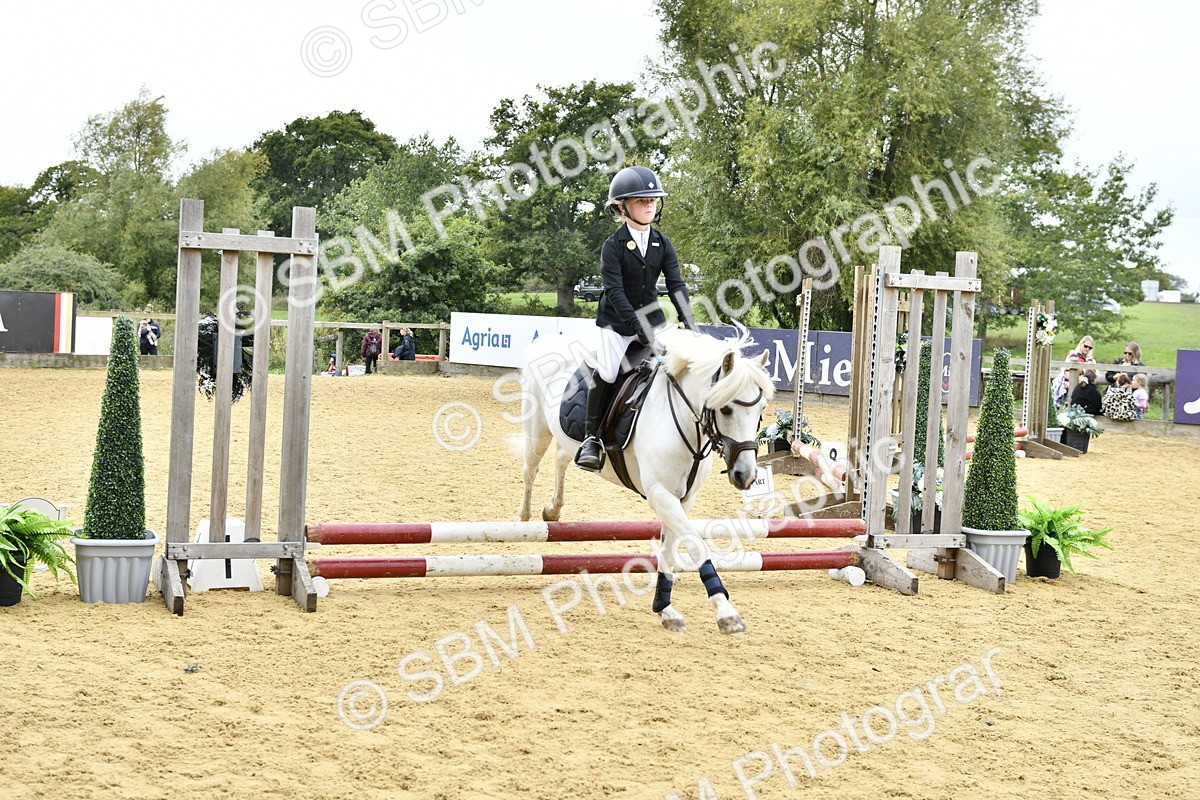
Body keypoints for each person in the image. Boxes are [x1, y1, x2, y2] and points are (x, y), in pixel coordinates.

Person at [575, 165, 698, 472]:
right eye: (642, 200)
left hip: (652, 319)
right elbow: (615, 292)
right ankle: (591, 439)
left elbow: (676, 285)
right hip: (616, 323)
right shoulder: (612, 246)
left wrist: (690, 323)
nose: (649, 205)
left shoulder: (662, 242)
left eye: (653, 199)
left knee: (677, 365)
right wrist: (637, 328)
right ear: (622, 206)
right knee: (606, 370)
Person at [1055, 335, 1096, 404]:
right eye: (1085, 346)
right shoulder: (1074, 354)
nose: (1087, 349)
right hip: (1070, 385)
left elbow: (1093, 372)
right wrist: (1084, 370)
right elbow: (1071, 369)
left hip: (1084, 387)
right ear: (1081, 344)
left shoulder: (1090, 359)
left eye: (1090, 348)